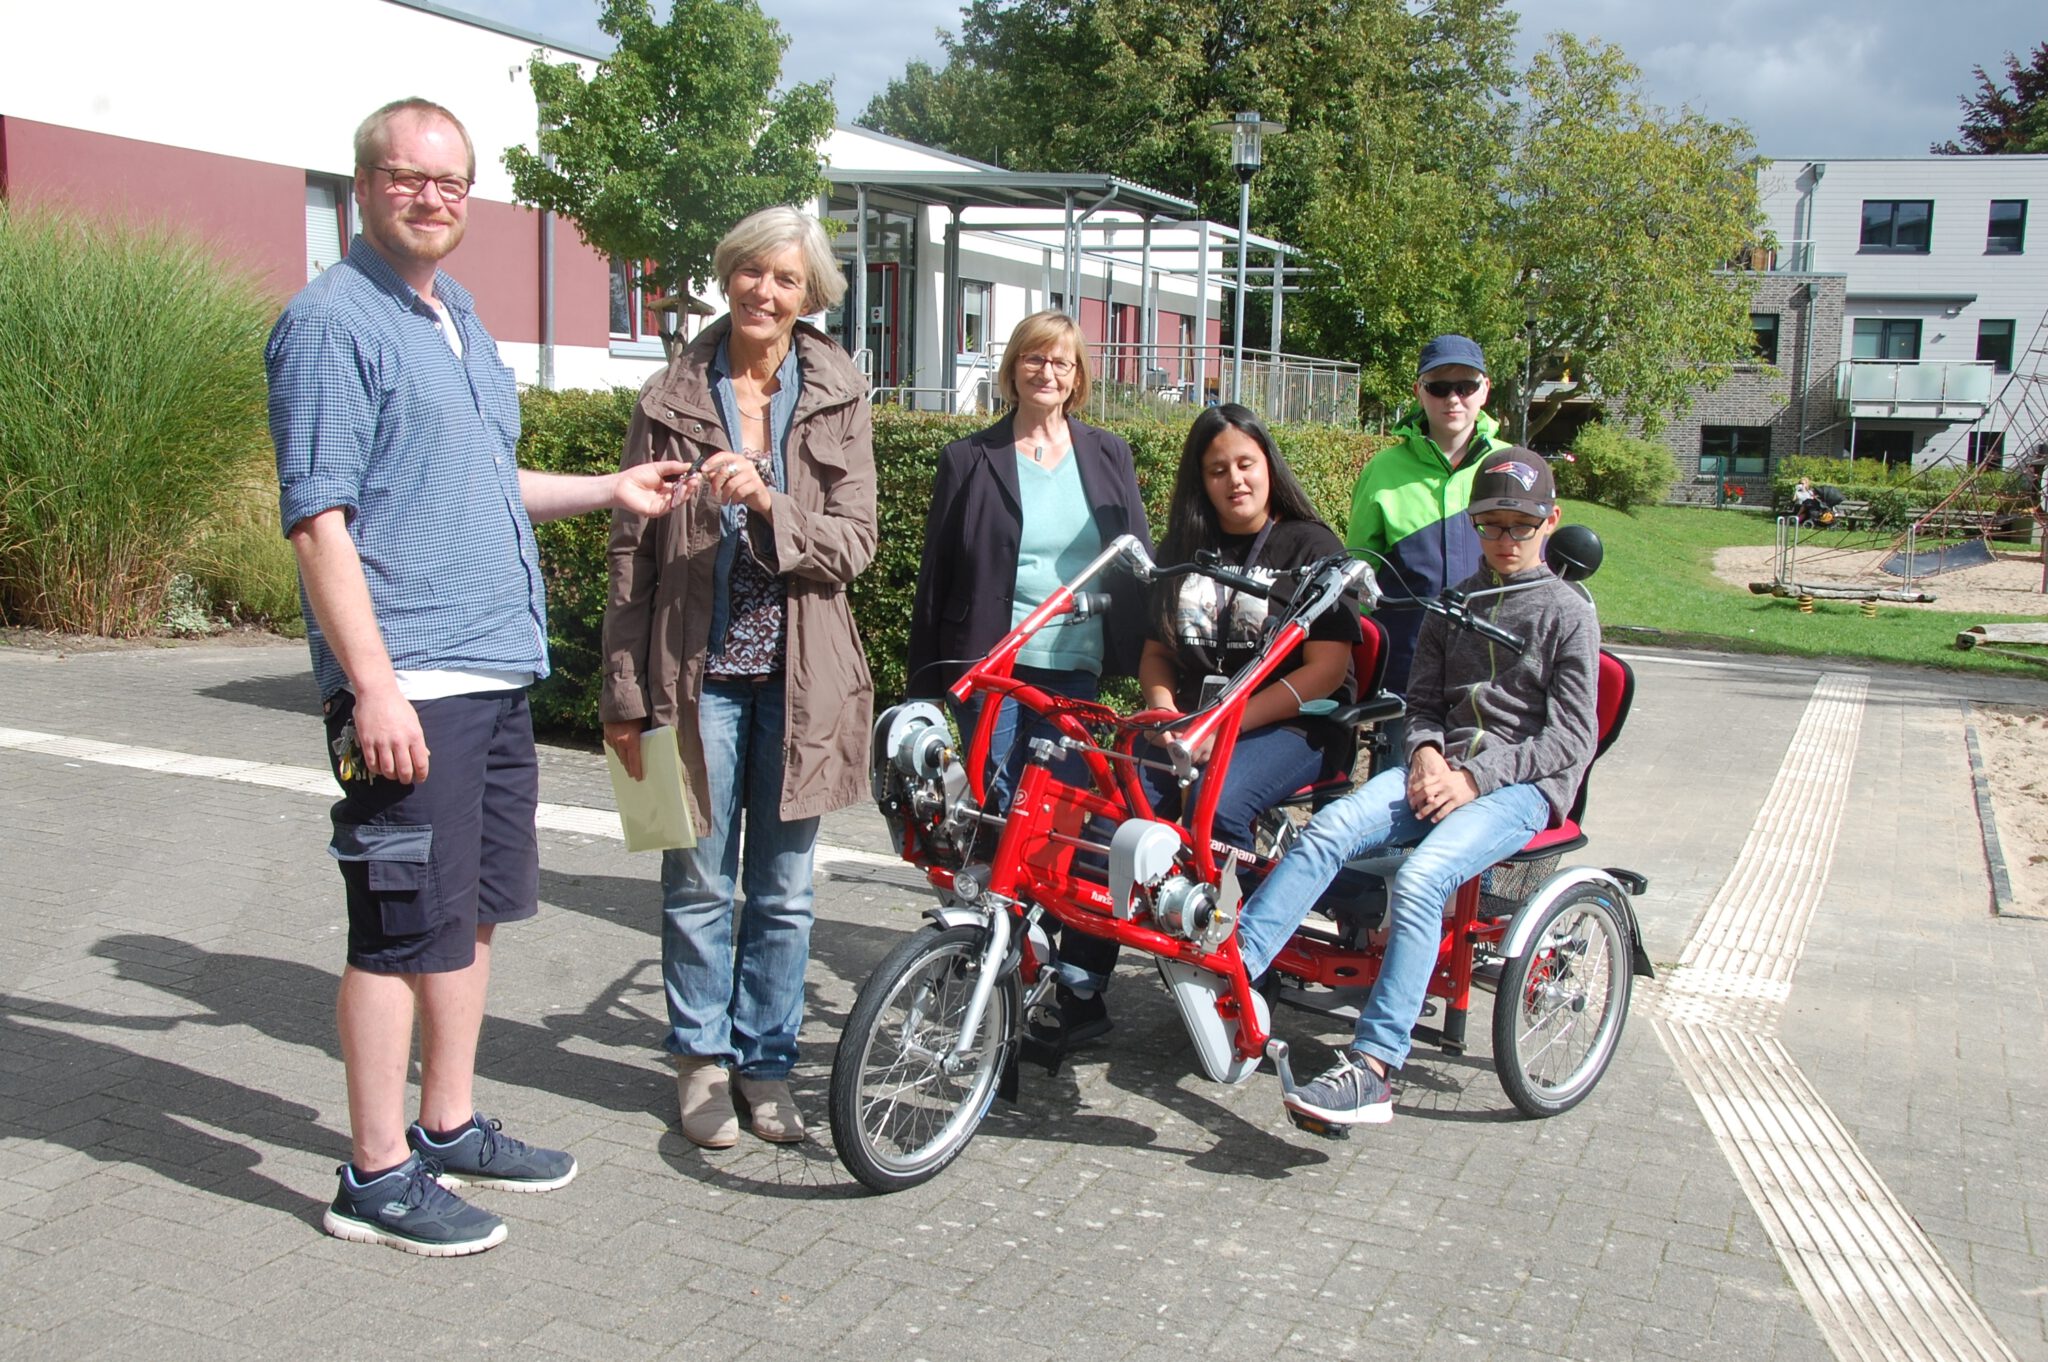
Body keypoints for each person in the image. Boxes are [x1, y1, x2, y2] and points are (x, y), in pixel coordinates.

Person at [270, 98, 689, 1256]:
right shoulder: (330, 323)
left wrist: (609, 491)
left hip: (493, 670)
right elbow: (319, 523)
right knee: (398, 929)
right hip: (412, 680)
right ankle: (374, 1172)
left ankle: (445, 1123)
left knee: (473, 915)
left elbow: (484, 483)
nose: (432, 198)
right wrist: (373, 686)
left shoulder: (453, 313)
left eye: (452, 183)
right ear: (363, 185)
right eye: (409, 178)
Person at [600, 207, 876, 1152]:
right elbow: (631, 555)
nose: (766, 292)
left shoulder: (841, 392)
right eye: (752, 272)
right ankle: (701, 1064)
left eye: (786, 280)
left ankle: (767, 1068)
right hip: (696, 677)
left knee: (787, 890)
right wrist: (623, 696)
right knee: (698, 881)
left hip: (803, 682)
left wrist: (771, 504)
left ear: (811, 297)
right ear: (728, 278)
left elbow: (857, 545)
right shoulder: (669, 395)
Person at [1234, 448, 1599, 1128]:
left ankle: (1374, 1068)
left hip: (1522, 788)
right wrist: (1428, 753)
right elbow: (1422, 702)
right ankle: (1234, 973)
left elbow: (1571, 739)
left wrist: (1473, 777)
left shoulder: (1567, 612)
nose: (1504, 540)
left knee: (1422, 877)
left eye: (1520, 526)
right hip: (1440, 769)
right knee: (1327, 830)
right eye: (1490, 525)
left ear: (1550, 522)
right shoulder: (1453, 603)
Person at [1054, 405, 1359, 1048]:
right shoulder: (1182, 549)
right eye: (1218, 469)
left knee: (1215, 814)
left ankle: (1238, 969)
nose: (1235, 480)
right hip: (1191, 724)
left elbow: (1328, 669)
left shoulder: (1313, 547)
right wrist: (1165, 709)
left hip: (1293, 724)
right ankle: (1078, 987)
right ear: (1202, 479)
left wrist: (1227, 723)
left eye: (1246, 464)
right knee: (1114, 814)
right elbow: (1158, 651)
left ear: (1269, 467)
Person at [907, 310, 1152, 810]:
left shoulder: (1109, 453)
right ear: (1013, 368)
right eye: (1034, 358)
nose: (1047, 372)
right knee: (996, 803)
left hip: (1075, 661)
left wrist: (1157, 664)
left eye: (1062, 363)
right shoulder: (968, 458)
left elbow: (1137, 556)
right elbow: (936, 575)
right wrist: (924, 689)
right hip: (991, 661)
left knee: (1060, 809)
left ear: (1077, 377)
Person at [1345, 335, 1510, 699]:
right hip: (1406, 678)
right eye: (1439, 388)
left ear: (1485, 389)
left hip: (1495, 675)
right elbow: (1356, 576)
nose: (1453, 398)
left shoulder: (1512, 467)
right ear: (1419, 391)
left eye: (1466, 386)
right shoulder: (1382, 471)